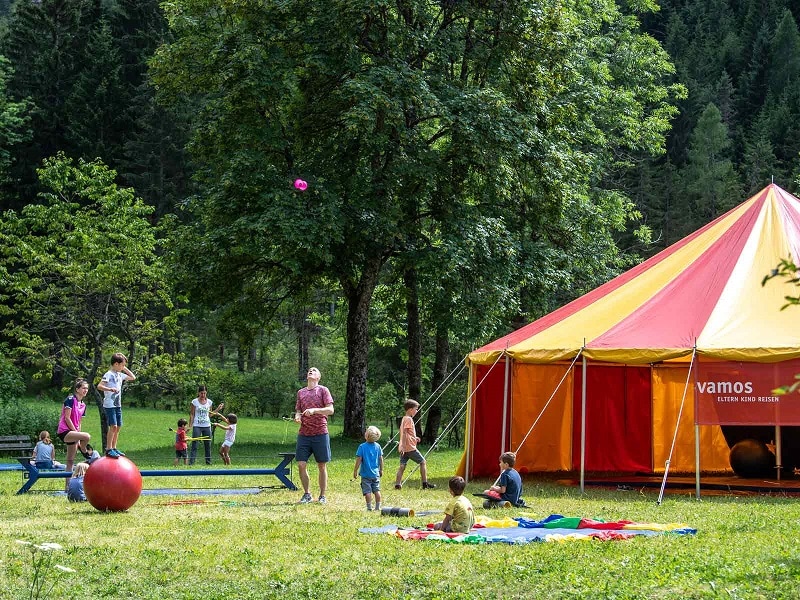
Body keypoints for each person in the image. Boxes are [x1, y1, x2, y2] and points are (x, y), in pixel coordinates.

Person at [295, 366, 334, 504]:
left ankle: (322, 496)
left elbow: (330, 410)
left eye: (315, 370)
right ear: (307, 376)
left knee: (321, 465)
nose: (311, 371)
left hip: (320, 433)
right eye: (309, 370)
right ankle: (307, 494)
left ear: (318, 377)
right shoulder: (301, 392)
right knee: (301, 464)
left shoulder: (323, 390)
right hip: (304, 434)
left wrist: (314, 410)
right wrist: (298, 417)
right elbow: (298, 410)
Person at [96, 352, 136, 458]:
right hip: (109, 405)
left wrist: (124, 367)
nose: (123, 367)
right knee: (113, 426)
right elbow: (99, 386)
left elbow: (133, 377)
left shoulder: (120, 374)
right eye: (122, 365)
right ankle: (108, 449)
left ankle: (114, 447)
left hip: (118, 405)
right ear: (116, 364)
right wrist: (109, 389)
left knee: (118, 427)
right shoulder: (108, 374)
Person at [57, 378, 93, 490]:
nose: (85, 390)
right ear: (77, 389)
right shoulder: (70, 399)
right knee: (87, 436)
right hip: (65, 431)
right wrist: (78, 433)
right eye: (83, 388)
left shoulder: (83, 404)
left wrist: (78, 434)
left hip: (74, 432)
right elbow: (67, 418)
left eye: (87, 388)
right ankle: (83, 449)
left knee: (70, 461)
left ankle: (67, 487)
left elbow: (79, 422)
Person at [394, 399, 435, 490]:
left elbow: (407, 433)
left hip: (403, 447)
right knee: (423, 462)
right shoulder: (409, 419)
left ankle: (397, 484)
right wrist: (404, 446)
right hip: (409, 448)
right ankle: (425, 484)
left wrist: (413, 439)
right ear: (410, 409)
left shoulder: (404, 418)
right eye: (416, 409)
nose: (417, 411)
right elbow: (404, 433)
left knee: (402, 466)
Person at [354, 426, 384, 511]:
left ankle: (369, 507)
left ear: (366, 436)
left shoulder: (362, 447)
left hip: (365, 474)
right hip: (376, 473)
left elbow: (359, 460)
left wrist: (355, 470)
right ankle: (378, 507)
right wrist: (381, 469)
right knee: (377, 490)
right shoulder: (378, 446)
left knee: (367, 492)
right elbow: (381, 459)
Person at [189, 385, 216, 465]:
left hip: (207, 425)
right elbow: (192, 414)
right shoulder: (194, 402)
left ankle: (208, 462)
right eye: (201, 393)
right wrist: (190, 425)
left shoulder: (209, 402)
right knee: (195, 444)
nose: (203, 395)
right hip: (197, 425)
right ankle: (191, 463)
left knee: (208, 444)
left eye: (204, 393)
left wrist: (217, 409)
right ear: (198, 393)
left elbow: (209, 415)